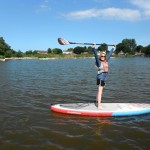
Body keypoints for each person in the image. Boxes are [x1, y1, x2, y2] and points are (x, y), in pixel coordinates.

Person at [92, 44, 116, 109]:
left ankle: (97, 102)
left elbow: (109, 55)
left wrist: (113, 48)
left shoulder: (106, 61)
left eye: (104, 56)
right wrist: (94, 48)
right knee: (100, 92)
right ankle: (99, 106)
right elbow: (96, 56)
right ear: (100, 56)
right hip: (101, 77)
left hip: (103, 77)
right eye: (102, 56)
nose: (103, 57)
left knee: (99, 91)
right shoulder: (99, 62)